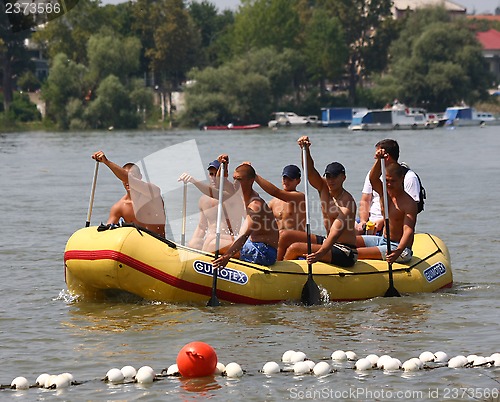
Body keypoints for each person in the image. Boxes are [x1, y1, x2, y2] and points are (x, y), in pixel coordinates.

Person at [280, 136, 358, 267]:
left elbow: (335, 232)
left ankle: (281, 275)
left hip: (346, 251)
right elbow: (310, 172)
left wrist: (321, 253)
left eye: (335, 177)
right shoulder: (324, 188)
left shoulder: (347, 202)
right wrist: (305, 150)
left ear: (343, 178)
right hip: (328, 241)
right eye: (328, 176)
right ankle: (275, 267)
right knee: (284, 235)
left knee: (296, 248)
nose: (331, 180)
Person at [212, 161, 279, 268]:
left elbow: (243, 236)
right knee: (213, 239)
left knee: (214, 245)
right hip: (253, 244)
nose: (235, 183)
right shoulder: (240, 193)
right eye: (234, 178)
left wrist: (227, 256)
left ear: (251, 181)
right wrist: (223, 165)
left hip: (265, 252)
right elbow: (221, 183)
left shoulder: (255, 205)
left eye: (239, 179)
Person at [357, 148, 417, 264]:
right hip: (383, 240)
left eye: (393, 181)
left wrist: (399, 251)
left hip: (400, 248)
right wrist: (379, 160)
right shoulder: (384, 193)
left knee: (356, 252)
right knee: (349, 241)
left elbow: (408, 230)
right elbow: (373, 178)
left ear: (402, 179)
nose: (389, 184)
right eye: (386, 181)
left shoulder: (409, 203)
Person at [91, 151, 166, 237]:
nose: (127, 182)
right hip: (136, 247)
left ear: (140, 177)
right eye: (124, 179)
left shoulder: (152, 193)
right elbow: (107, 233)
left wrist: (106, 162)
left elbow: (128, 178)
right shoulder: (120, 207)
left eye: (133, 176)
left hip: (159, 244)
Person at [357, 138, 420, 235]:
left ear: (386, 157)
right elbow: (365, 200)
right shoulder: (373, 174)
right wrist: (363, 222)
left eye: (377, 156)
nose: (374, 158)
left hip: (387, 226)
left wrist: (382, 222)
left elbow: (409, 211)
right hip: (369, 223)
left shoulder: (409, 177)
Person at [186, 159, 241, 253]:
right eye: (211, 174)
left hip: (229, 240)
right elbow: (202, 227)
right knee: (193, 243)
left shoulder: (231, 196)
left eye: (216, 174)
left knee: (213, 240)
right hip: (210, 241)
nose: (213, 178)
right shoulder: (203, 199)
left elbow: (235, 187)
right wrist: (189, 248)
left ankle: (203, 259)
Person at [255, 164, 306, 232]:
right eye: (284, 178)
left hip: (296, 238)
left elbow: (276, 192)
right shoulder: (274, 201)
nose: (286, 181)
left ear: (298, 181)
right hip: (278, 238)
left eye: (290, 179)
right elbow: (261, 218)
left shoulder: (300, 197)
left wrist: (255, 176)